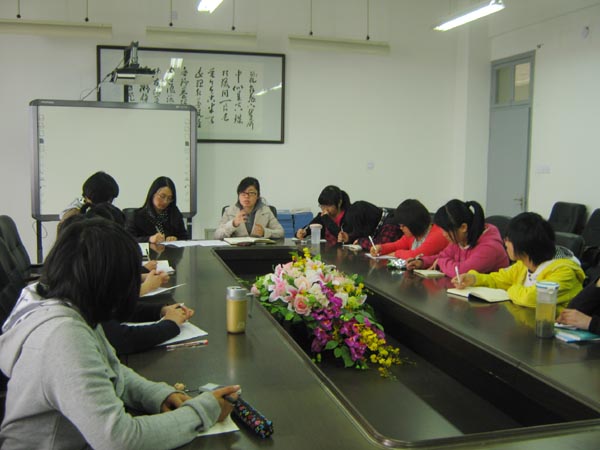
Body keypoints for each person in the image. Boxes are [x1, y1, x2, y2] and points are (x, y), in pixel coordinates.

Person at [0, 219, 238, 449]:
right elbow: (121, 440)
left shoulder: (73, 308)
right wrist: (204, 411)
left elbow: (108, 368)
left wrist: (159, 394)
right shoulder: (63, 337)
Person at [61, 206, 193, 355]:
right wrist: (171, 324)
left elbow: (115, 309)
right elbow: (122, 339)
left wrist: (160, 310)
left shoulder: (79, 280)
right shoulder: (75, 303)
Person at [454, 212, 585, 308]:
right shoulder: (524, 264)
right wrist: (474, 279)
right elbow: (498, 279)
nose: (505, 243)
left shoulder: (565, 271)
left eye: (509, 240)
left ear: (524, 244)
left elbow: (531, 298)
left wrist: (510, 289)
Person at [407, 199, 509, 277]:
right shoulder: (461, 239)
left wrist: (441, 262)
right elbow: (443, 256)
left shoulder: (489, 247)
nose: (444, 234)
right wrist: (422, 262)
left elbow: (462, 271)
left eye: (446, 230)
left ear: (463, 227)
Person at [370, 199, 448, 259]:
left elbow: (417, 255)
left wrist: (396, 254)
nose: (401, 228)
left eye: (403, 226)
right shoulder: (414, 234)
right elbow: (397, 245)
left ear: (414, 223)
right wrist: (381, 248)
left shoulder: (437, 235)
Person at [214, 176, 284, 240]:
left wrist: (264, 232)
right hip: (235, 249)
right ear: (238, 195)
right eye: (243, 193)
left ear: (258, 195)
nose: (246, 196)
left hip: (259, 248)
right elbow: (217, 235)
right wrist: (233, 223)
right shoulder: (229, 211)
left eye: (251, 193)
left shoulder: (266, 211)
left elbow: (280, 232)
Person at [126, 176, 189, 243]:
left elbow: (185, 237)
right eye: (162, 196)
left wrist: (176, 239)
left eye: (169, 198)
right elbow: (127, 240)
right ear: (153, 193)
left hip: (169, 249)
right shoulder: (137, 216)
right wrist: (149, 239)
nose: (165, 201)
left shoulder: (174, 213)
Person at [337, 201, 402, 251]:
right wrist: (349, 238)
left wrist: (360, 241)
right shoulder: (376, 222)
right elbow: (362, 234)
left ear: (366, 222)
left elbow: (381, 246)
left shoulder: (391, 224)